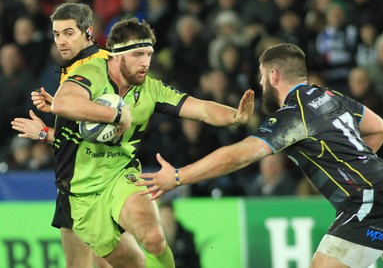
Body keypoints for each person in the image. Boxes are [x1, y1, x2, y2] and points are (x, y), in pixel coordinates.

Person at [137, 43, 383, 267]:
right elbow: (379, 128)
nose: (261, 83)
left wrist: (178, 176)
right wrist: (347, 166)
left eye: (262, 77)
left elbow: (238, 156)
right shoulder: (329, 96)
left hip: (367, 201)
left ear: (274, 75)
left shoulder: (293, 115)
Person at [19, 17, 253, 267]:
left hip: (121, 175)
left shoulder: (151, 89)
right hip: (81, 193)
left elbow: (201, 109)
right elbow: (63, 105)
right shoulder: (89, 75)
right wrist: (116, 116)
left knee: (153, 238)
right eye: (138, 54)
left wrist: (234, 116)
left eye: (149, 54)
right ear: (117, 55)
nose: (146, 62)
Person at [11, 2, 112, 268]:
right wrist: (58, 106)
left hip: (92, 184)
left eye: (69, 33)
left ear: (88, 33)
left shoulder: (97, 68)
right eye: (57, 34)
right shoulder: (77, 68)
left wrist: (43, 132)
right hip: (76, 184)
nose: (61, 41)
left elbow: (99, 134)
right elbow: (86, 128)